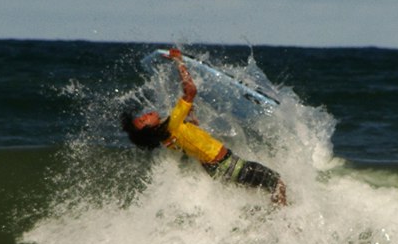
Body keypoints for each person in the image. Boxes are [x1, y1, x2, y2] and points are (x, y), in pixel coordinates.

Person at [121, 48, 287, 206]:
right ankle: (285, 222)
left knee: (265, 190)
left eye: (141, 118)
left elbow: (192, 140)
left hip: (217, 171)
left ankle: (274, 220)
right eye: (143, 121)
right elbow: (191, 91)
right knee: (277, 183)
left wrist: (191, 118)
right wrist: (179, 62)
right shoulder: (172, 124)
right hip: (228, 165)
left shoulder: (167, 140)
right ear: (150, 130)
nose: (144, 116)